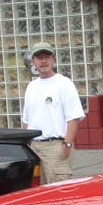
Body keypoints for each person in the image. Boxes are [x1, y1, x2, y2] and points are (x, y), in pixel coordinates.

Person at [22, 41, 85, 184]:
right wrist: (28, 144)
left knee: (59, 193)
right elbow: (26, 120)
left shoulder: (64, 83)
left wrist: (67, 145)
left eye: (47, 57)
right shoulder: (31, 87)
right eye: (39, 58)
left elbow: (73, 117)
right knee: (38, 194)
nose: (43, 61)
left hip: (55, 147)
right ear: (33, 61)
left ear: (53, 60)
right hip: (35, 148)